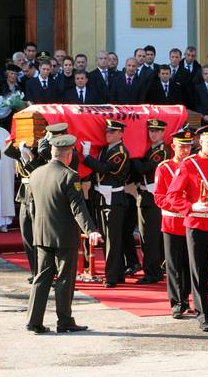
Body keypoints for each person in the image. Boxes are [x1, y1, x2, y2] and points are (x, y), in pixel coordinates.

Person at [26, 134, 102, 334]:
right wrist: (91, 230)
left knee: (41, 278)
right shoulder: (70, 176)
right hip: (65, 236)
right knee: (65, 279)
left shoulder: (36, 173)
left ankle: (34, 321)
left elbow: (32, 208)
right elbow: (78, 208)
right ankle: (65, 321)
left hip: (42, 234)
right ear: (68, 155)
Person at [166, 124, 208, 332]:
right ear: (200, 142)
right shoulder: (189, 164)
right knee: (199, 271)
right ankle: (203, 314)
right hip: (197, 223)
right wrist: (190, 207)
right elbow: (172, 195)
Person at [82, 119, 131, 288]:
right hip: (102, 197)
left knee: (112, 239)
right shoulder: (105, 149)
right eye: (107, 132)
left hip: (114, 200)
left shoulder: (121, 152)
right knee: (107, 238)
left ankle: (111, 277)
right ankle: (117, 274)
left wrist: (87, 157)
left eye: (112, 132)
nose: (108, 134)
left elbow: (104, 169)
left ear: (120, 134)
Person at [154, 130, 194, 318]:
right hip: (172, 221)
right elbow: (159, 197)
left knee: (188, 264)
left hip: (191, 221)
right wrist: (180, 205)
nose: (185, 150)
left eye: (188, 146)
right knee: (173, 265)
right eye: (182, 146)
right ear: (173, 147)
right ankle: (176, 303)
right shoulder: (164, 168)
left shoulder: (194, 166)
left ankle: (185, 298)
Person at [3, 130, 47, 283]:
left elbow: (36, 171)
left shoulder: (42, 151)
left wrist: (28, 154)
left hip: (37, 196)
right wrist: (16, 135)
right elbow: (7, 150)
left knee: (38, 237)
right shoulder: (22, 149)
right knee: (27, 236)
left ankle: (43, 271)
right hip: (24, 197)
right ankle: (35, 271)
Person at [133, 119, 170, 284]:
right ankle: (152, 269)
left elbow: (143, 169)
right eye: (150, 130)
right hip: (145, 195)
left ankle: (153, 272)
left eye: (156, 131)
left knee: (151, 237)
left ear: (162, 132)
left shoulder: (161, 150)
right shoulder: (150, 149)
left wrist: (132, 154)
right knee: (145, 237)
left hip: (153, 196)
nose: (152, 134)